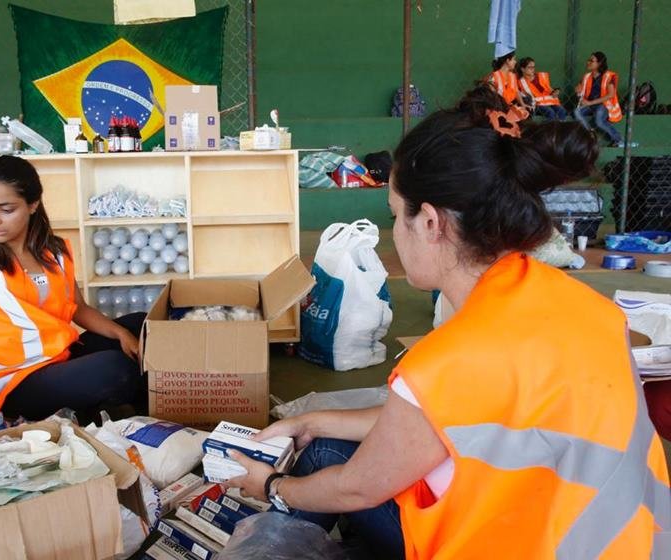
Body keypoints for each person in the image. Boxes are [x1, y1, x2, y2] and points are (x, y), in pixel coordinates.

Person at [226, 86, 670, 558]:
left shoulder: (448, 360)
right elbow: (446, 420)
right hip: (634, 540)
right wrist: (314, 419)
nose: (392, 233)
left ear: (432, 223)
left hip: (518, 544)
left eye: (395, 215)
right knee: (324, 443)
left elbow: (358, 488)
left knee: (324, 472)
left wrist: (272, 485)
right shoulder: (586, 307)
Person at [0, 155, 146, 423]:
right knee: (116, 368)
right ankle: (101, 407)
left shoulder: (55, 252)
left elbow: (78, 308)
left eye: (6, 210)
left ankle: (105, 408)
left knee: (142, 325)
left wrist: (122, 333)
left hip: (56, 358)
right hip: (11, 382)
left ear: (33, 204)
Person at [575, 51, 624, 146]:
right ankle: (591, 135)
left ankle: (618, 139)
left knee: (599, 120)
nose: (588, 62)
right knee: (577, 112)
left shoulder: (610, 76)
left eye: (591, 61)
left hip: (604, 104)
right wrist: (578, 93)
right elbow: (581, 92)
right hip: (590, 104)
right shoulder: (586, 76)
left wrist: (590, 103)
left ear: (599, 63)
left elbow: (611, 95)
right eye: (588, 60)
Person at [517, 56, 568, 121]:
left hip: (550, 102)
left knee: (562, 110)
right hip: (536, 104)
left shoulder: (541, 76)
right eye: (530, 67)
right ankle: (549, 130)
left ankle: (560, 129)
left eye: (533, 67)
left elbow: (549, 89)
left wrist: (555, 92)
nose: (533, 69)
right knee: (550, 112)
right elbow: (518, 93)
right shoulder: (521, 82)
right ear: (523, 69)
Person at [486, 51, 528, 116]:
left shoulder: (512, 76)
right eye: (514, 59)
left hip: (509, 107)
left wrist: (523, 105)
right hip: (497, 111)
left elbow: (516, 91)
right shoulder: (493, 77)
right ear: (507, 61)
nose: (515, 62)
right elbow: (490, 99)